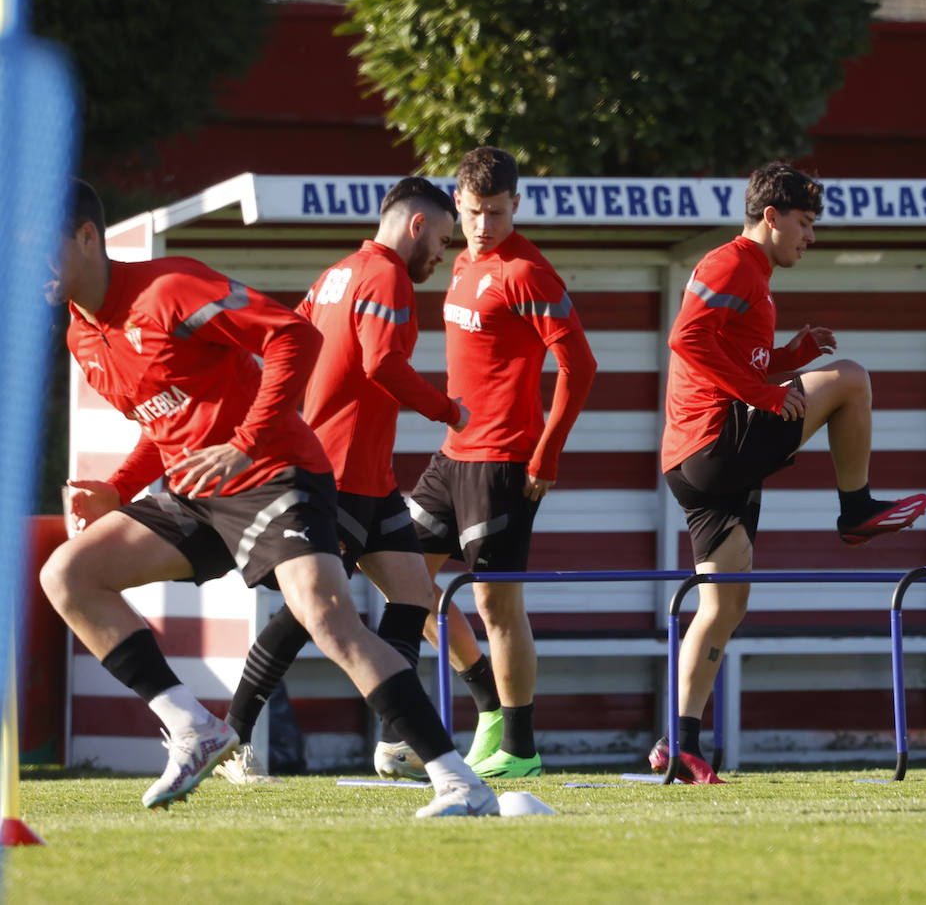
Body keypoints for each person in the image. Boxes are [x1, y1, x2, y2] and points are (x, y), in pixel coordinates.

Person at [41, 179, 497, 817]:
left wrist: (246, 443)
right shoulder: (81, 338)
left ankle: (458, 779)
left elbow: (292, 337)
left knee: (326, 616)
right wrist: (117, 488)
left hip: (277, 468)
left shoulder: (168, 288)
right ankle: (195, 727)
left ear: (87, 238)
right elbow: (161, 420)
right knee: (67, 573)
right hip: (199, 488)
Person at [648, 161, 926, 784]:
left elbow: (728, 355)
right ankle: (855, 508)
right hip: (712, 443)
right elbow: (685, 341)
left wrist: (788, 360)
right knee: (851, 379)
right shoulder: (732, 263)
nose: (811, 236)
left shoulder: (756, 274)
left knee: (724, 605)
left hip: (694, 464)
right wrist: (768, 392)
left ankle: (680, 744)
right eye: (805, 223)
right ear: (770, 217)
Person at [209, 177, 473, 785]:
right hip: (343, 469)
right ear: (415, 225)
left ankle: (397, 743)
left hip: (371, 477)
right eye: (441, 236)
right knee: (307, 614)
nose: (443, 250)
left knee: (412, 599)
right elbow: (382, 363)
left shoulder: (335, 276)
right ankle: (233, 737)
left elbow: (293, 345)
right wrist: (447, 409)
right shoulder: (389, 278)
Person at [403, 146, 597, 779]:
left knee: (497, 607)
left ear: (516, 203)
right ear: (456, 204)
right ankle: (487, 701)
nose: (485, 224)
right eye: (475, 211)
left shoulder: (529, 274)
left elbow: (581, 367)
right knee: (400, 574)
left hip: (505, 461)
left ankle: (521, 747)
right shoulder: (461, 261)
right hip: (450, 457)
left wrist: (548, 453)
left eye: (497, 211)